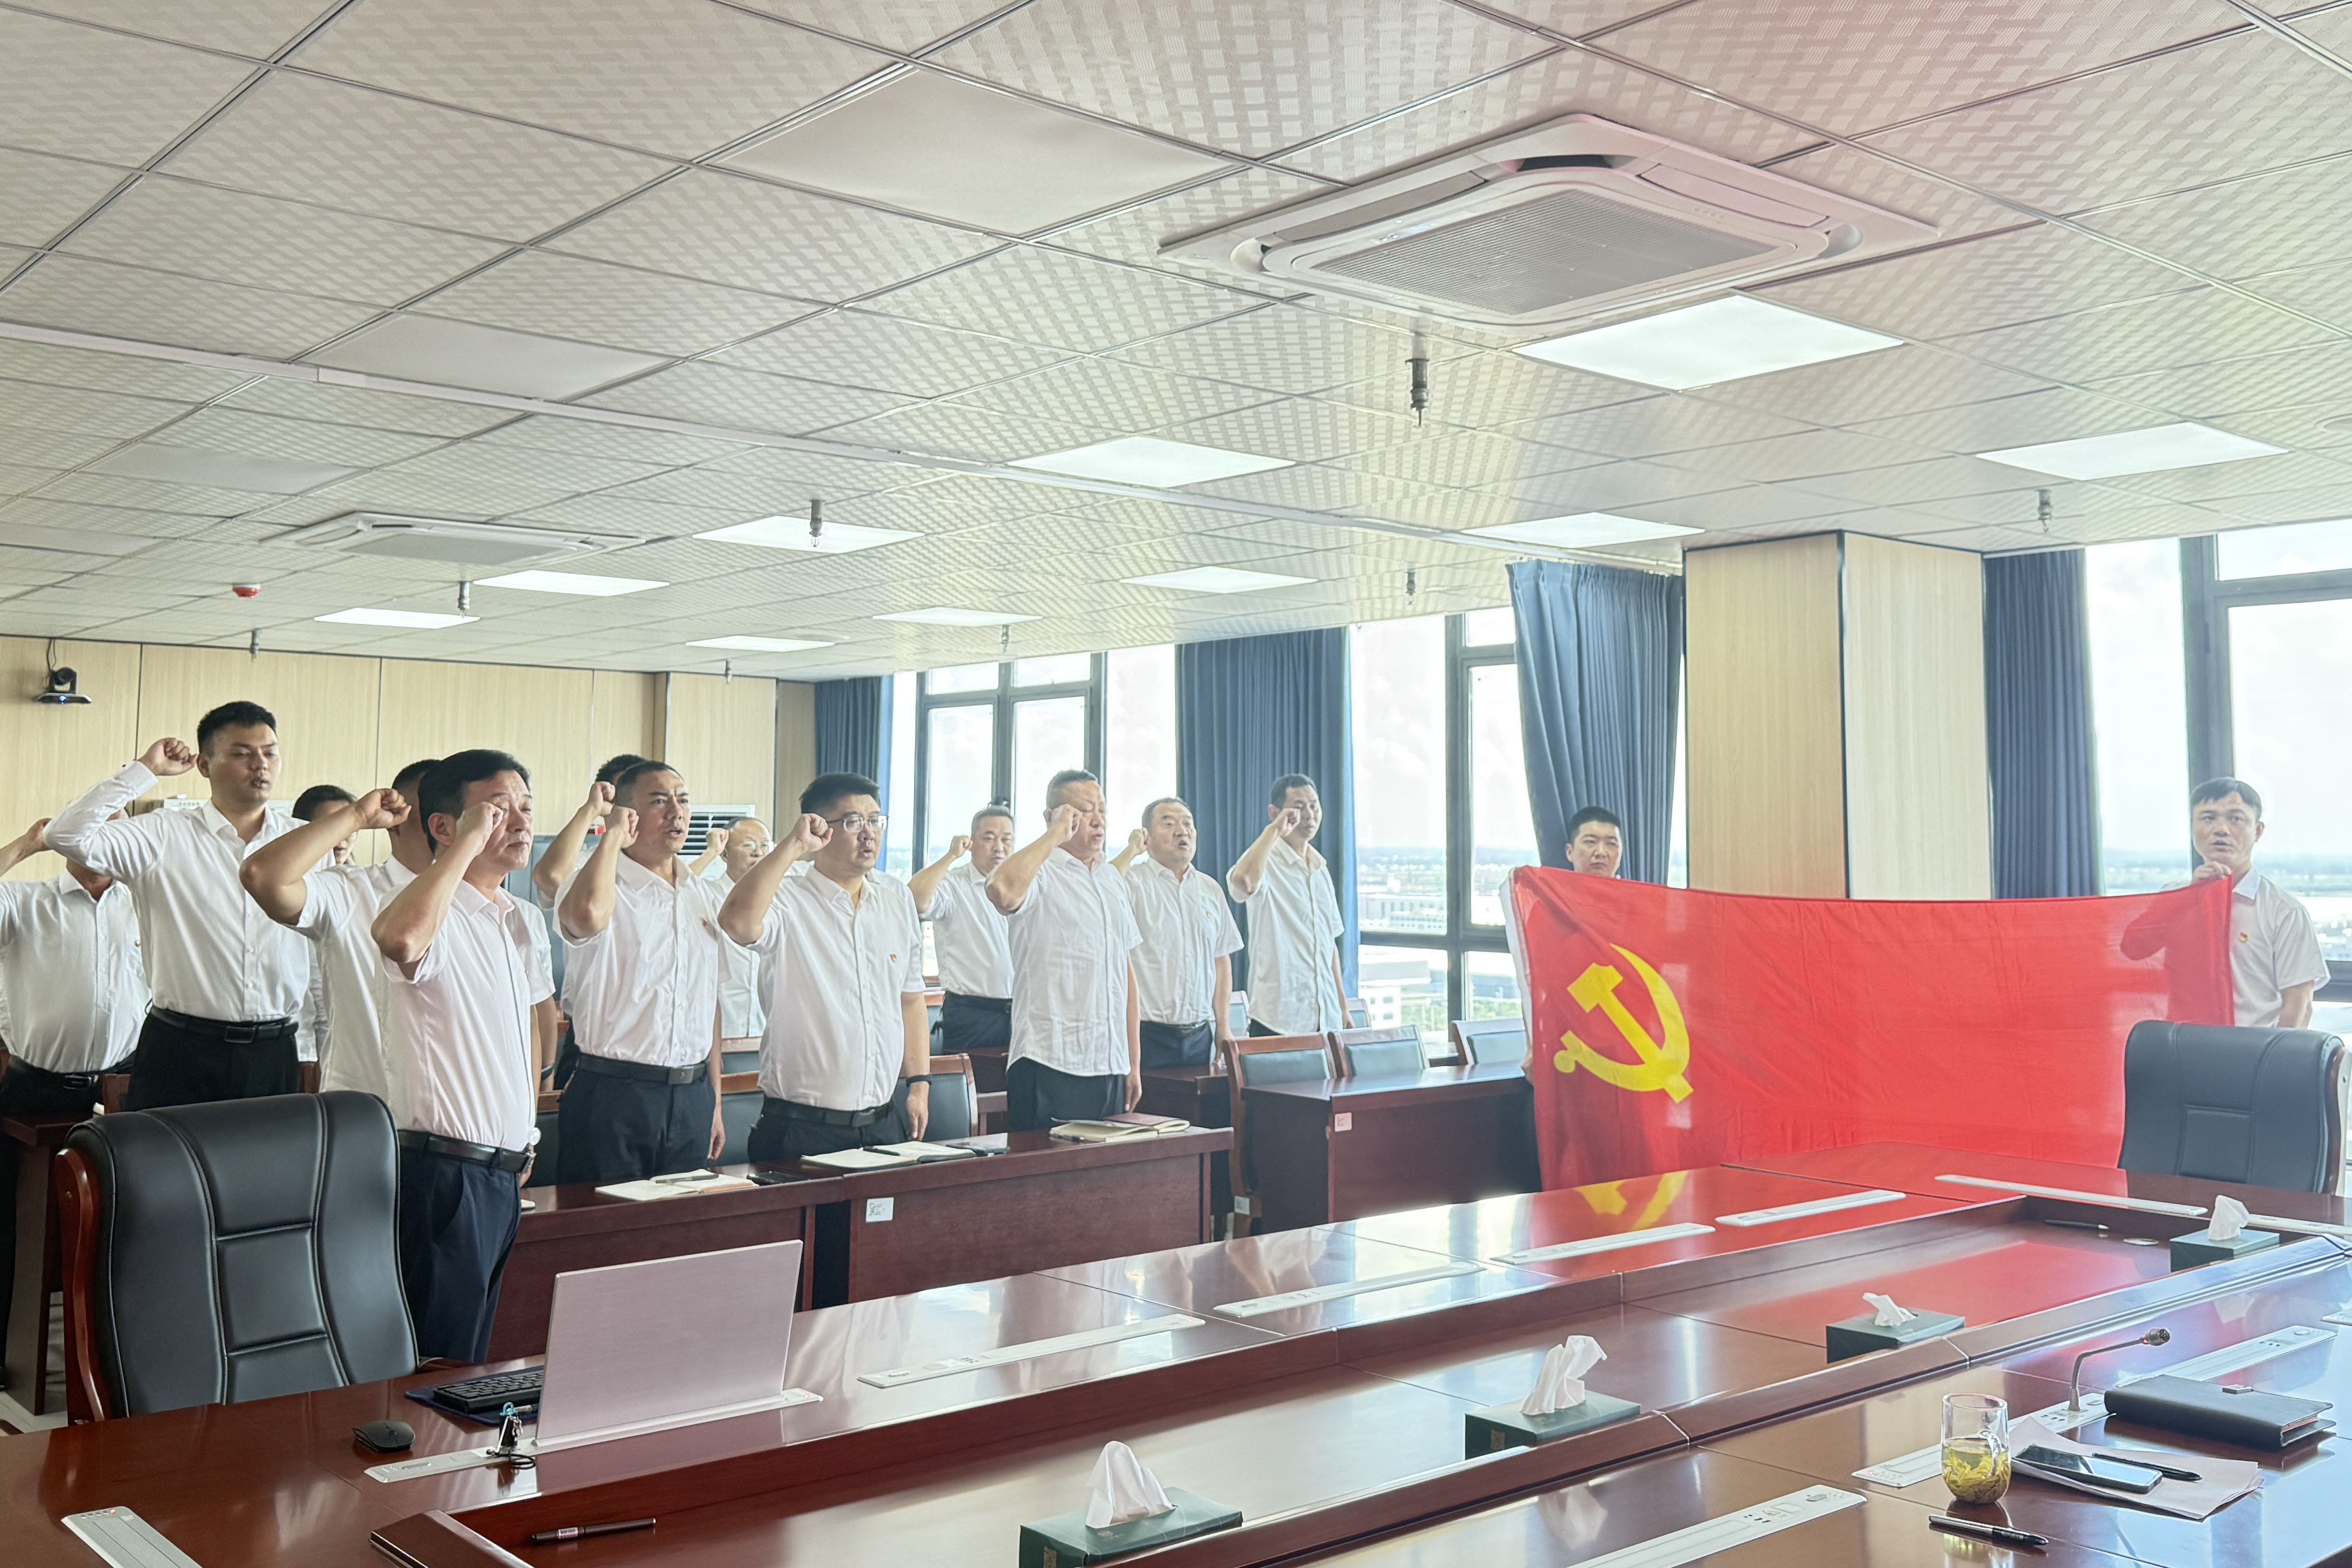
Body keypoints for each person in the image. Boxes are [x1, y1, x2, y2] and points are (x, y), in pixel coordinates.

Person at [44, 701, 313, 1109]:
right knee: (165, 1152)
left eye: (270, 753)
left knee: (270, 1154)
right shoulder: (162, 835)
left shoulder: (305, 843)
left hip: (274, 1051)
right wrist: (145, 770)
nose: (260, 764)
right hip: (181, 1048)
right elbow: (64, 835)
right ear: (204, 765)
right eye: (242, 754)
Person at [372, 749, 549, 1364]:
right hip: (444, 1176)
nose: (520, 822)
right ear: (443, 826)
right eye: (498, 810)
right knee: (434, 1365)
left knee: (471, 1361)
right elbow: (399, 940)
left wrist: (526, 1136)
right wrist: (465, 846)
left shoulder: (509, 918)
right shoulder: (435, 911)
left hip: (500, 1176)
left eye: (526, 807)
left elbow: (518, 1040)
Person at [718, 773, 929, 1163]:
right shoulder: (786, 894)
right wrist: (794, 845)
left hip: (883, 1124)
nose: (868, 833)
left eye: (875, 821)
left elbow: (911, 999)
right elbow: (737, 924)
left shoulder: (895, 898)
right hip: (801, 1128)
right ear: (819, 829)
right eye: (853, 822)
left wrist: (919, 1085)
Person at [0, 814, 145, 1353]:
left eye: (116, 828)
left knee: (122, 1221)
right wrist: (28, 843)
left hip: (123, 1089)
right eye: (92, 825)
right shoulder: (27, 902)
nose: (103, 839)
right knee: (13, 1224)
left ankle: (110, 1349)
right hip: (36, 1091)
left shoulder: (147, 903)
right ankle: (7, 1353)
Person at [554, 761, 726, 1183]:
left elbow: (708, 1001)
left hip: (692, 1094)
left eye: (683, 800)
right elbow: (586, 917)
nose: (676, 812)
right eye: (659, 801)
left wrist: (715, 1102)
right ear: (627, 814)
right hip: (614, 1095)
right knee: (605, 1220)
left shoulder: (701, 894)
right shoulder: (595, 882)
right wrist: (613, 836)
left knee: (681, 1221)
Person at [240, 759, 441, 1102]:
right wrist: (357, 816)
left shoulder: (489, 906)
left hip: (451, 1115)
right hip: (363, 1105)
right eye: (434, 816)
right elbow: (262, 876)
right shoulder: (348, 890)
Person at [986, 769, 1142, 1128]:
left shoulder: (1111, 879)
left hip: (1109, 1062)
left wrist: (1133, 1062)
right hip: (1048, 1059)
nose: (1098, 820)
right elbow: (1001, 891)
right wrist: (1055, 834)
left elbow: (1125, 974)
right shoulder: (1039, 873)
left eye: (1102, 810)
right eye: (1084, 811)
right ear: (1053, 816)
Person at [2187, 778, 2328, 1029]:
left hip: (2254, 1047)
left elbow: (2300, 1004)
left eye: (2236, 819)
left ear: (2258, 831)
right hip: (2183, 1046)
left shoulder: (2283, 911)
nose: (2221, 829)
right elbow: (2131, 953)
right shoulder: (2172, 899)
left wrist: (2278, 1053)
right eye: (2208, 818)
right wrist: (2187, 901)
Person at [1114, 797, 1240, 1069]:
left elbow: (1221, 961)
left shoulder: (1210, 889)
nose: (1182, 831)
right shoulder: (1132, 883)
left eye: (1187, 824)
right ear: (1147, 836)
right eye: (1169, 824)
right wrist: (1131, 850)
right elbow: (1102, 887)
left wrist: (1224, 1026)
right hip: (1145, 1035)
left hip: (1200, 1036)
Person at [1225, 773, 1347, 1038]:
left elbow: (1329, 945)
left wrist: (1342, 1006)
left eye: (1314, 806)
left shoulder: (1320, 869)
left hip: (1327, 1018)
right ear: (1275, 812)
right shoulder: (1265, 861)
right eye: (1299, 808)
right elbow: (1243, 883)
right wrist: (1274, 830)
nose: (1310, 815)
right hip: (1278, 1018)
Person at [909, 804, 1015, 1059]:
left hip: (1022, 1012)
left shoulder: (1021, 887)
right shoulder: (953, 884)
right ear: (971, 843)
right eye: (989, 838)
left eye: (1006, 840)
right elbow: (914, 900)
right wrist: (950, 856)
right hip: (972, 1015)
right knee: (973, 1083)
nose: (999, 847)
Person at [288, 784, 356, 1070]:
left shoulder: (361, 887)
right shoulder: (284, 892)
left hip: (347, 1046)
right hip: (295, 1044)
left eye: (350, 827)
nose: (341, 838)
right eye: (331, 827)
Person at [529, 753, 648, 907]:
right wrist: (592, 809)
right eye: (628, 797)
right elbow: (553, 877)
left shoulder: (676, 868)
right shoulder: (591, 863)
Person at [707, 817, 771, 1039]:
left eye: (765, 845)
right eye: (749, 845)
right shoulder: (707, 894)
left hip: (765, 1034)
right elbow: (677, 889)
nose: (758, 853)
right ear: (724, 854)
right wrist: (710, 853)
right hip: (720, 1031)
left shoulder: (779, 899)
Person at [1565, 807, 1624, 877]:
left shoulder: (1633, 884)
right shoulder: (1556, 884)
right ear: (1570, 852)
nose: (1601, 853)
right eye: (1591, 842)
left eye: (1611, 844)